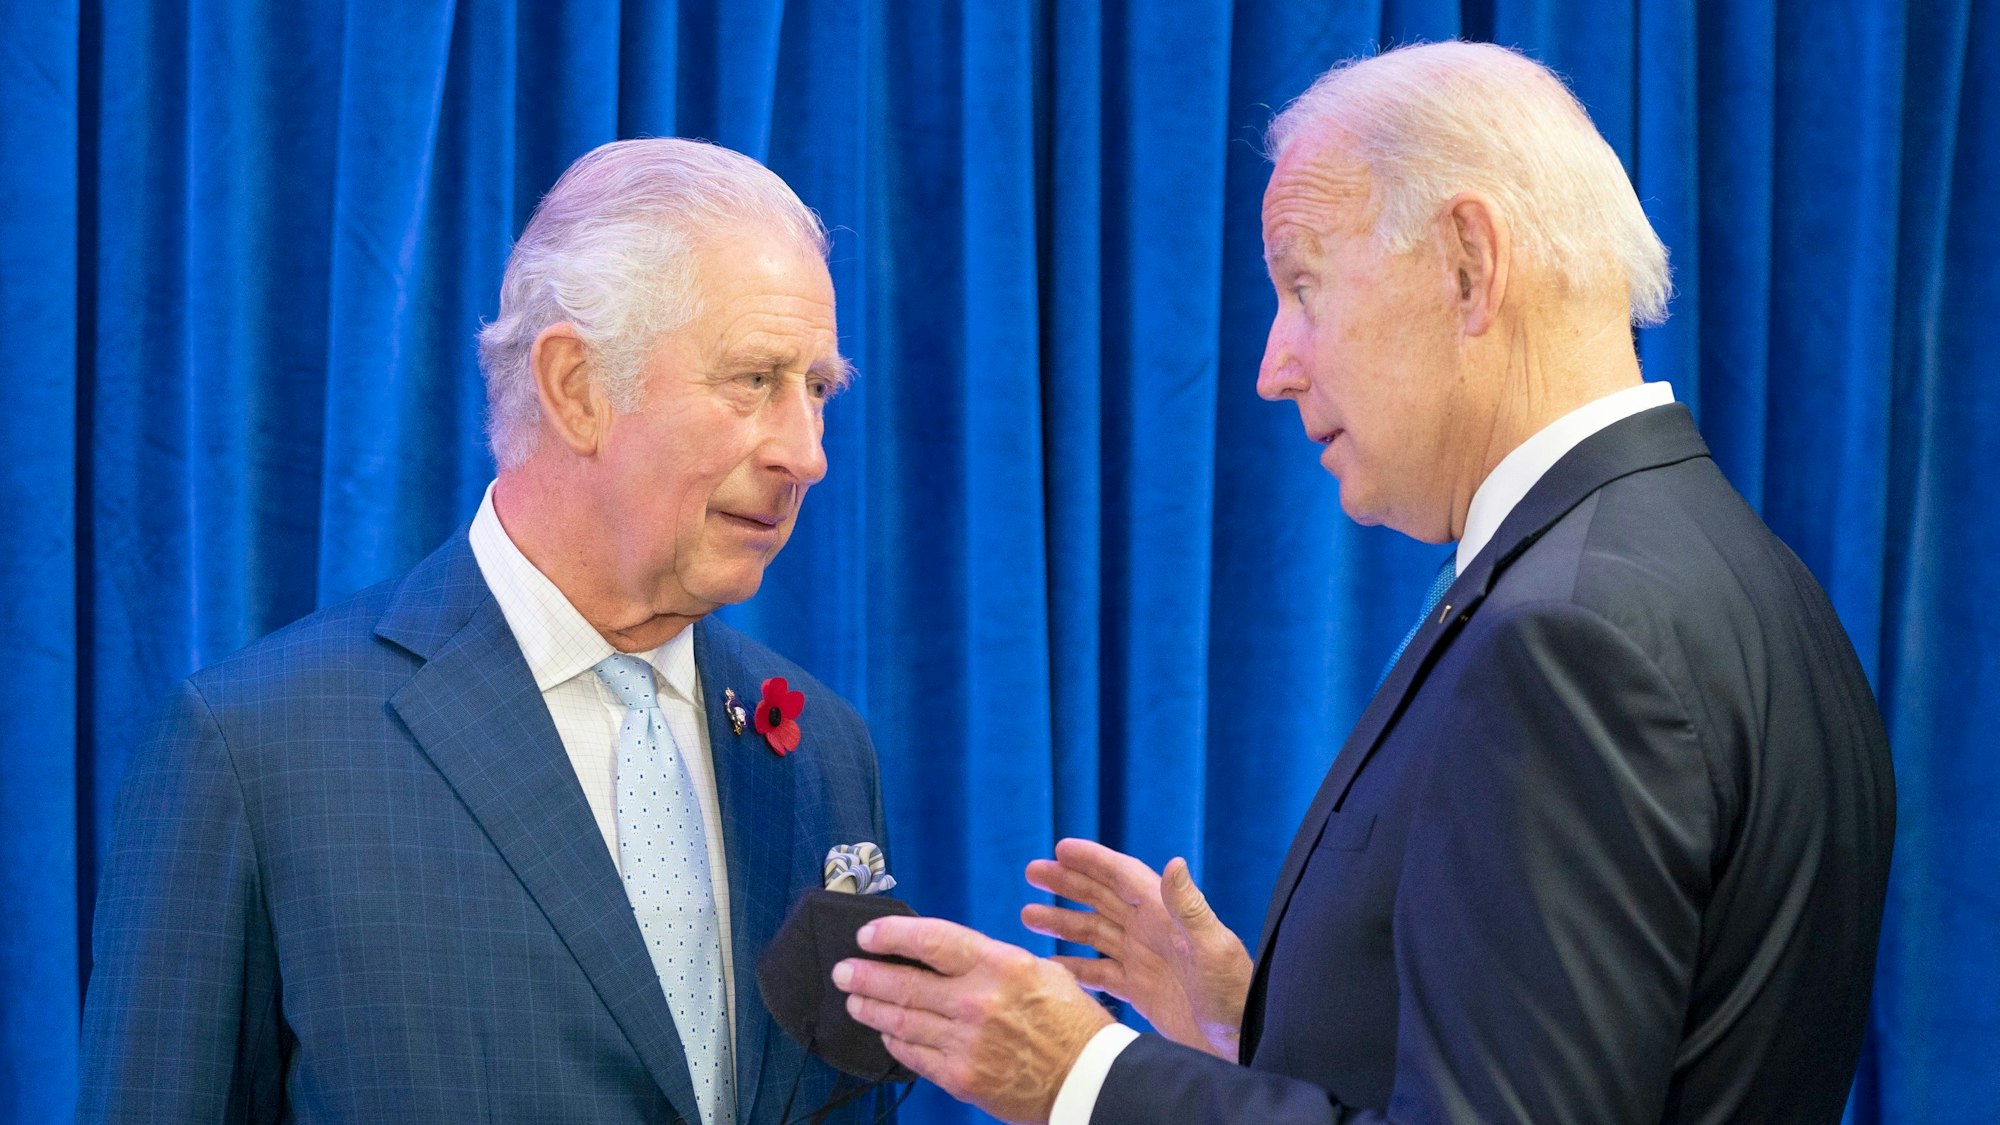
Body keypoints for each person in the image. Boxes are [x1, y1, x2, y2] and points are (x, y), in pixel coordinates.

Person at [831, 40, 1895, 1124]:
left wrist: (1086, 1078)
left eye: (1302, 284)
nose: (1270, 364)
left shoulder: (1569, 634)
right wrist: (1250, 1022)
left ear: (1468, 264)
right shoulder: (1733, 576)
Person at [79, 138, 894, 1125]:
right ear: (576, 389)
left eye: (817, 388)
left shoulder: (822, 755)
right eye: (754, 381)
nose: (804, 454)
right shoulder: (258, 754)